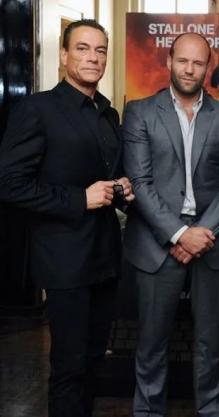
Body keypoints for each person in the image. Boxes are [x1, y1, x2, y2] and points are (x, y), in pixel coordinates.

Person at [0, 19, 134, 416]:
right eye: (82, 48)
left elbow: (107, 176)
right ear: (63, 55)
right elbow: (8, 184)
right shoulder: (37, 109)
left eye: (100, 50)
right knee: (69, 368)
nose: (93, 58)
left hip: (105, 259)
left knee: (93, 364)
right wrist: (79, 199)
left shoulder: (108, 112)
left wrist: (122, 188)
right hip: (64, 261)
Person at [121, 32, 219, 417]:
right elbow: (140, 182)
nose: (189, 69)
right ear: (169, 62)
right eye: (183, 61)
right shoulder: (140, 112)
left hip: (210, 240)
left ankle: (211, 411)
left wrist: (199, 235)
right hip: (157, 242)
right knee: (151, 343)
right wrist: (178, 234)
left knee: (210, 342)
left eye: (198, 62)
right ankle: (147, 412)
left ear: (208, 67)